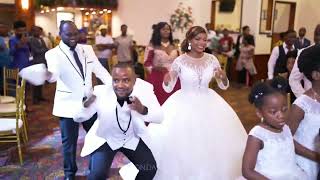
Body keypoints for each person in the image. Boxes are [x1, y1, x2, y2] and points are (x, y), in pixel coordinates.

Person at [121, 26, 247, 179]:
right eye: (197, 39)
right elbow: (168, 88)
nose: (202, 43)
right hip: (184, 102)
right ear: (189, 40)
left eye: (204, 39)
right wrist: (168, 79)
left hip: (210, 103)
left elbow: (224, 85)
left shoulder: (212, 59)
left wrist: (223, 76)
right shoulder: (180, 61)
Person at [45, 20, 111, 179]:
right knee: (69, 144)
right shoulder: (53, 54)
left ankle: (94, 169)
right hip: (68, 105)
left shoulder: (87, 49)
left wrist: (114, 86)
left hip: (89, 103)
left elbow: (100, 70)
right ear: (60, 35)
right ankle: (69, 173)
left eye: (76, 33)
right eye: (69, 34)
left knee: (97, 137)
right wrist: (47, 75)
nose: (73, 37)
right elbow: (53, 75)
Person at [73, 62, 163, 180]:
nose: (120, 85)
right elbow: (78, 117)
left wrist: (142, 109)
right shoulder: (101, 92)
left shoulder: (145, 89)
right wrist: (85, 106)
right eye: (116, 80)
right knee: (97, 175)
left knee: (149, 168)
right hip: (106, 138)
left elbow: (159, 117)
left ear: (134, 80)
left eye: (126, 80)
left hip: (131, 138)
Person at [242, 77, 307, 179]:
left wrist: (313, 155)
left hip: (292, 174)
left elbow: (290, 144)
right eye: (273, 112)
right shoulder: (257, 135)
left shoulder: (285, 128)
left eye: (284, 109)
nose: (281, 115)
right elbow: (247, 171)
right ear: (259, 113)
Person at [287, 44, 320, 180]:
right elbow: (286, 139)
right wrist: (315, 157)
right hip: (305, 164)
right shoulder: (302, 105)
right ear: (316, 75)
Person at [144, 22, 180, 105]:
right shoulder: (152, 45)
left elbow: (179, 62)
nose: (166, 31)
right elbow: (147, 63)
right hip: (157, 76)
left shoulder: (174, 46)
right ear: (158, 31)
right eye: (164, 29)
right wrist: (155, 68)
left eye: (168, 29)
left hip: (174, 76)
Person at [289, 24, 320, 98]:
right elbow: (294, 80)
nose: (318, 37)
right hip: (311, 100)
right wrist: (305, 99)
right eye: (317, 34)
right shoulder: (304, 53)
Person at [29, 26, 49, 104]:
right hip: (35, 61)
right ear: (33, 32)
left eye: (40, 31)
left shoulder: (41, 39)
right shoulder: (31, 40)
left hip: (42, 61)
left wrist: (44, 50)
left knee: (41, 80)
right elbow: (36, 51)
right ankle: (35, 99)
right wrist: (44, 50)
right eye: (36, 31)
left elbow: (45, 48)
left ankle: (40, 96)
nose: (39, 33)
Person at [0, 22, 11, 92]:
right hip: (1, 63)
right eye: (1, 28)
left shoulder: (11, 37)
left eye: (4, 27)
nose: (2, 29)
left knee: (9, 82)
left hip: (11, 63)